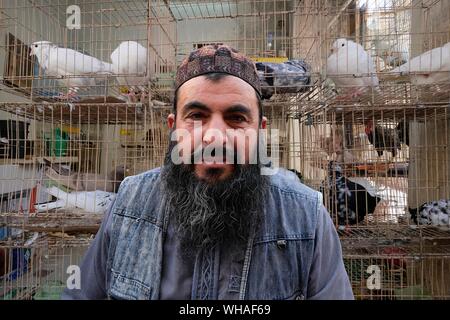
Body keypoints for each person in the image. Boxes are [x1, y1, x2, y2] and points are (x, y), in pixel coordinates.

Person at [62, 44, 353, 300]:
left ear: (260, 132)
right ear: (173, 127)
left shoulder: (306, 217)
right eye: (197, 116)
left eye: (236, 118)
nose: (213, 137)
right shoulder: (129, 203)